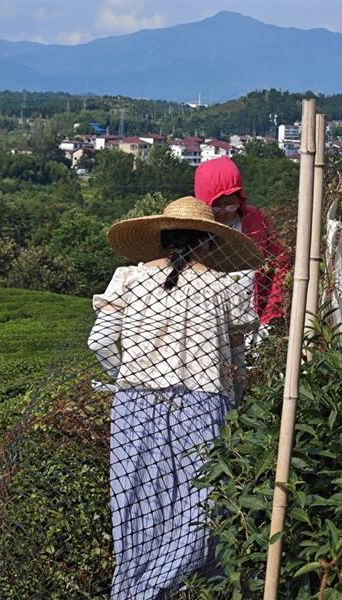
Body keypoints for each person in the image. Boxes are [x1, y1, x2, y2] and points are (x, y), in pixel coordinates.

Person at [87, 196, 261, 599]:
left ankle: (133, 591)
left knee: (135, 505)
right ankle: (174, 589)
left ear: (163, 239)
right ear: (207, 241)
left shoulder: (128, 279)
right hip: (204, 404)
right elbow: (236, 358)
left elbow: (99, 343)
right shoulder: (225, 286)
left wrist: (126, 375)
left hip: (135, 404)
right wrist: (235, 400)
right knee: (198, 507)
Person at [194, 156, 291, 401]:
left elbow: (280, 262)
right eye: (218, 205)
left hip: (253, 317)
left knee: (249, 382)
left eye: (231, 204)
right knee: (213, 379)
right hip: (209, 321)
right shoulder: (195, 230)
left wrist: (272, 312)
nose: (226, 212)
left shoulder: (254, 220)